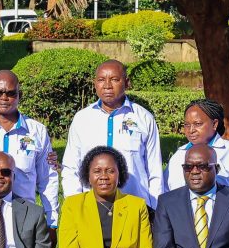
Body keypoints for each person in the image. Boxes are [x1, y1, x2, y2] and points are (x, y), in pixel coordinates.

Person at [0, 70, 59, 231]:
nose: (4, 98)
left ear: (19, 94)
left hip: (24, 217)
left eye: (10, 93)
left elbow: (47, 179)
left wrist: (52, 221)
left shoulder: (37, 131)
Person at [62, 60, 163, 209]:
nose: (107, 85)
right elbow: (71, 166)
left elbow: (155, 170)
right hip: (91, 207)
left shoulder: (143, 118)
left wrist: (155, 210)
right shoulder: (82, 119)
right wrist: (76, 206)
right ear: (94, 83)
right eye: (101, 80)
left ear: (127, 83)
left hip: (134, 207)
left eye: (115, 79)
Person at [164, 99, 229, 204]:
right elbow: (166, 191)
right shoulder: (178, 156)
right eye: (187, 125)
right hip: (183, 218)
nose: (191, 130)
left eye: (197, 124)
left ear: (214, 124)